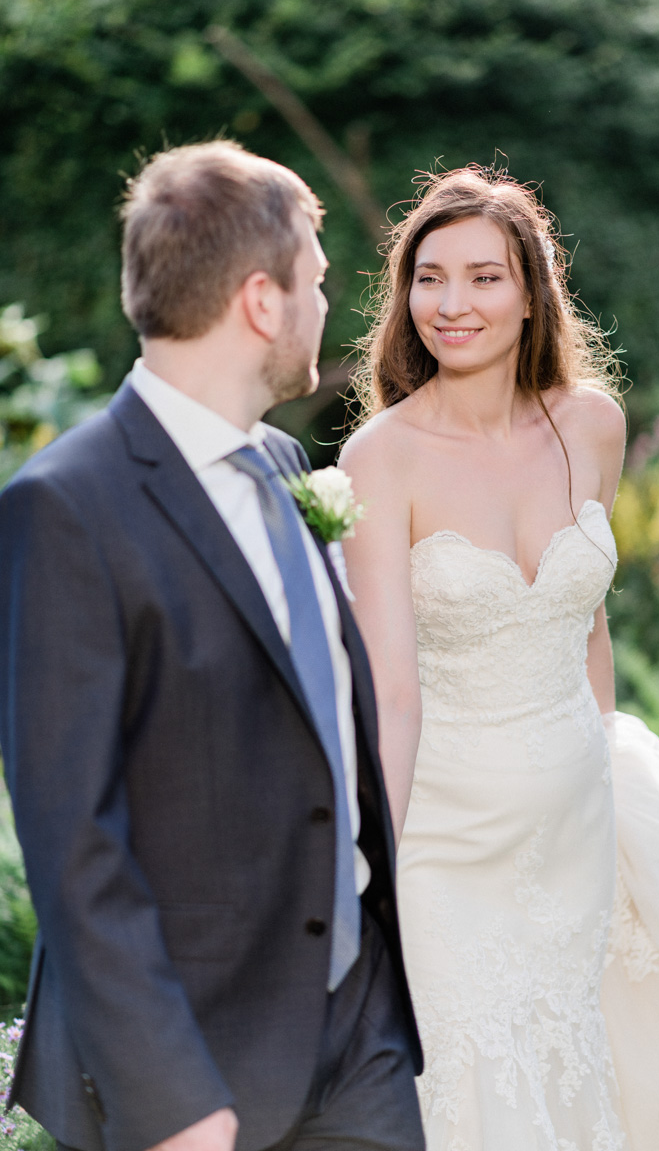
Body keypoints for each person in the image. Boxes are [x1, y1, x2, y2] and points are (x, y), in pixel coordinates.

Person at [339, 166, 659, 1151]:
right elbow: (389, 685)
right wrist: (373, 860)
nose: (450, 304)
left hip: (577, 821)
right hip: (445, 841)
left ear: (532, 289)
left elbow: (586, 619)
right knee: (471, 1082)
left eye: (482, 277)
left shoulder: (590, 425)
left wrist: (609, 762)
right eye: (428, 276)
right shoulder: (381, 457)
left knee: (586, 1072)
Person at [0, 140, 425, 1151]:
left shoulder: (284, 463)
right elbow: (74, 843)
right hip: (198, 1060)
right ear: (261, 302)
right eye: (316, 281)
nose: (329, 305)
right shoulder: (65, 509)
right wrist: (172, 1101)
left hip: (354, 1028)